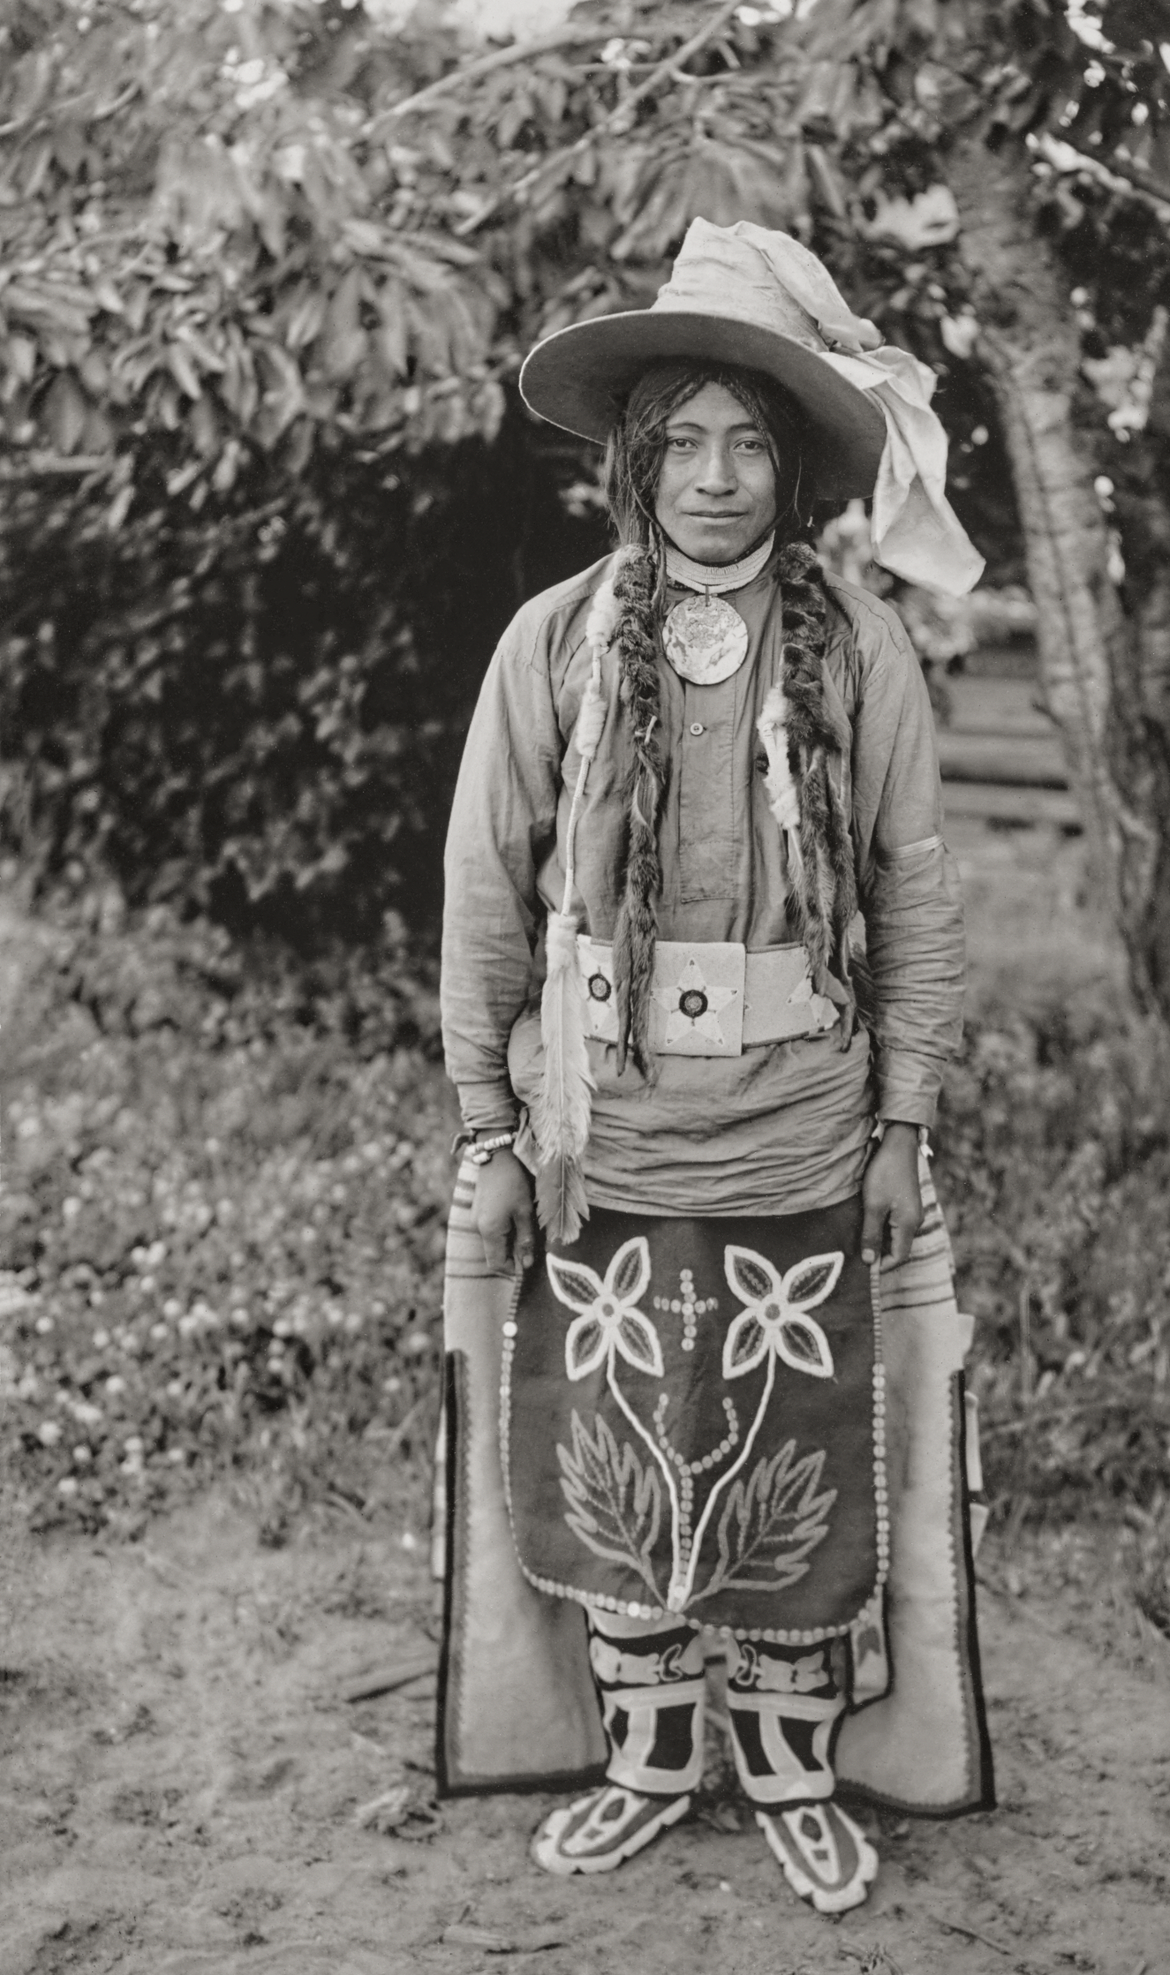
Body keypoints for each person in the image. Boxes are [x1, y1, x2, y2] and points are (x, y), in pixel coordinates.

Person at [434, 218, 993, 1915]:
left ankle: (792, 1761)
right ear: (631, 461)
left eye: (751, 440)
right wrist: (490, 1122)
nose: (716, 476)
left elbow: (908, 883)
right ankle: (651, 1753)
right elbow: (485, 881)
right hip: (603, 1136)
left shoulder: (859, 653)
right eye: (681, 439)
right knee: (620, 1427)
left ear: (794, 464)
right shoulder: (551, 644)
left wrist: (903, 1117)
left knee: (788, 1437)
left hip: (803, 1131)